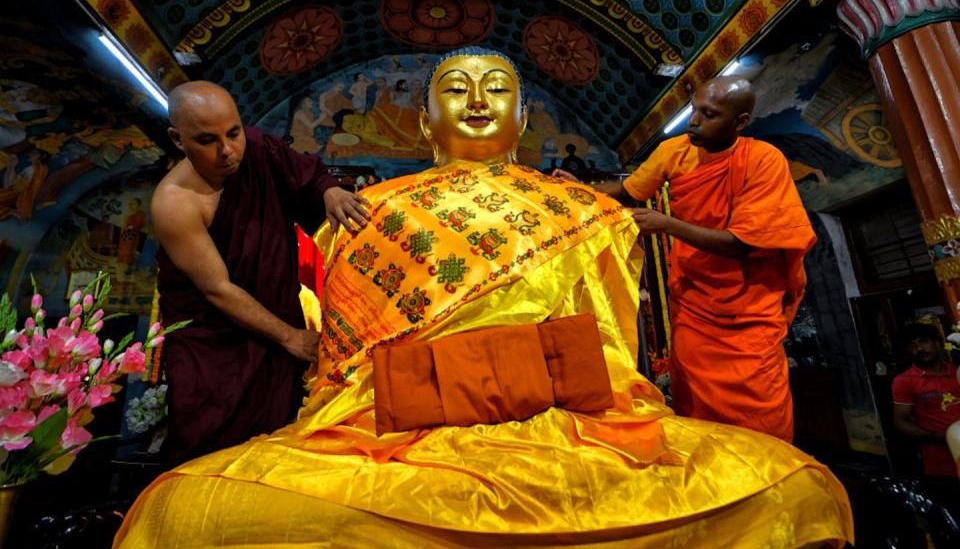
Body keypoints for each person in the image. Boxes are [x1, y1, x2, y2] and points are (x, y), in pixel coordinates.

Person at [116, 51, 851, 548]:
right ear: (427, 123)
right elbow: (351, 373)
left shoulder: (578, 209)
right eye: (455, 91)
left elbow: (613, 362)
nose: (476, 102)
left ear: (525, 120)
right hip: (398, 428)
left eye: (496, 89)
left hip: (572, 424)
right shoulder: (372, 213)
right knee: (193, 509)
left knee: (794, 489)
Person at [554, 76, 814, 442]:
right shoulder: (675, 151)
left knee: (759, 411)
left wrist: (667, 225)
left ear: (739, 122)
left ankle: (766, 478)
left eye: (708, 115)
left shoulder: (762, 161)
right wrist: (575, 190)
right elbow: (626, 192)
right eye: (694, 109)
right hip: (695, 303)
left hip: (749, 309)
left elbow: (744, 242)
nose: (694, 121)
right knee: (696, 405)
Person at [150, 81, 370, 463]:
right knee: (208, 447)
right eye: (207, 141)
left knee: (276, 446)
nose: (228, 151)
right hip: (213, 346)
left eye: (233, 133)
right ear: (177, 139)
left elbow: (309, 178)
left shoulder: (261, 150)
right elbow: (217, 289)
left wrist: (330, 191)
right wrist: (291, 338)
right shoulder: (175, 202)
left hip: (276, 327)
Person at [892, 321, 960, 516]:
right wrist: (940, 436)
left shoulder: (957, 373)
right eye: (912, 345)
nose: (919, 349)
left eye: (923, 342)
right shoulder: (905, 381)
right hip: (940, 467)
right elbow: (901, 422)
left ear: (938, 343)